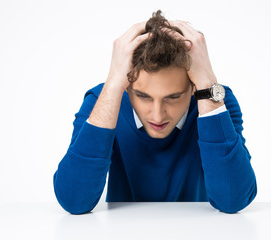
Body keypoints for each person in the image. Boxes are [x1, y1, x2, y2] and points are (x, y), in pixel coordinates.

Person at [53, 10, 257, 214]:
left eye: (173, 97)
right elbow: (74, 201)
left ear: (193, 86)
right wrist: (113, 85)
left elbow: (233, 200)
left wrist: (207, 84)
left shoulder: (216, 100)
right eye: (143, 96)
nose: (158, 116)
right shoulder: (103, 100)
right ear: (126, 86)